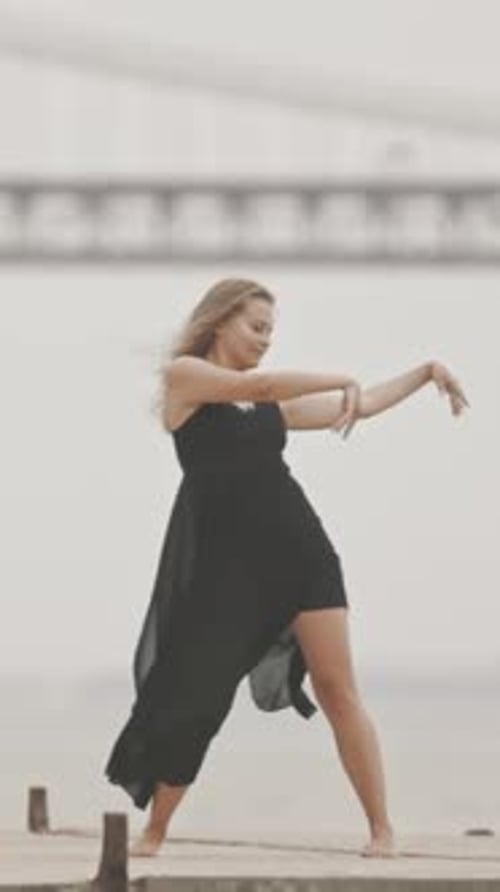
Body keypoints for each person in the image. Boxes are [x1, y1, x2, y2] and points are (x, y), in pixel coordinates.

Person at [104, 278, 469, 860]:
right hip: (229, 570)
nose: (265, 339)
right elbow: (262, 384)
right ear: (220, 321)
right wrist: (340, 376)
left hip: (300, 553)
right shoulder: (185, 378)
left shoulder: (267, 406)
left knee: (338, 689)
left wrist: (424, 373)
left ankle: (381, 829)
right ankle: (155, 831)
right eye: (256, 327)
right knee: (198, 696)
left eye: (271, 331)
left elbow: (357, 406)